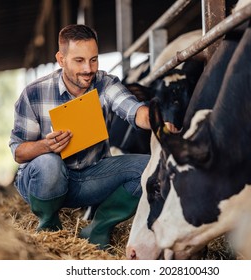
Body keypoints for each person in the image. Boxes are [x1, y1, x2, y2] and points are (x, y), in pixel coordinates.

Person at [9, 24, 177, 250]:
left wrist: (158, 122)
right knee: (49, 163)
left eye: (94, 60)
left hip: (89, 176)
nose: (89, 69)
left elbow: (133, 110)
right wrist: (46, 146)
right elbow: (19, 152)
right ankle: (49, 227)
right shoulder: (34, 93)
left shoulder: (104, 83)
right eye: (79, 60)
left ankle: (98, 228)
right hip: (43, 182)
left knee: (150, 168)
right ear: (61, 59)